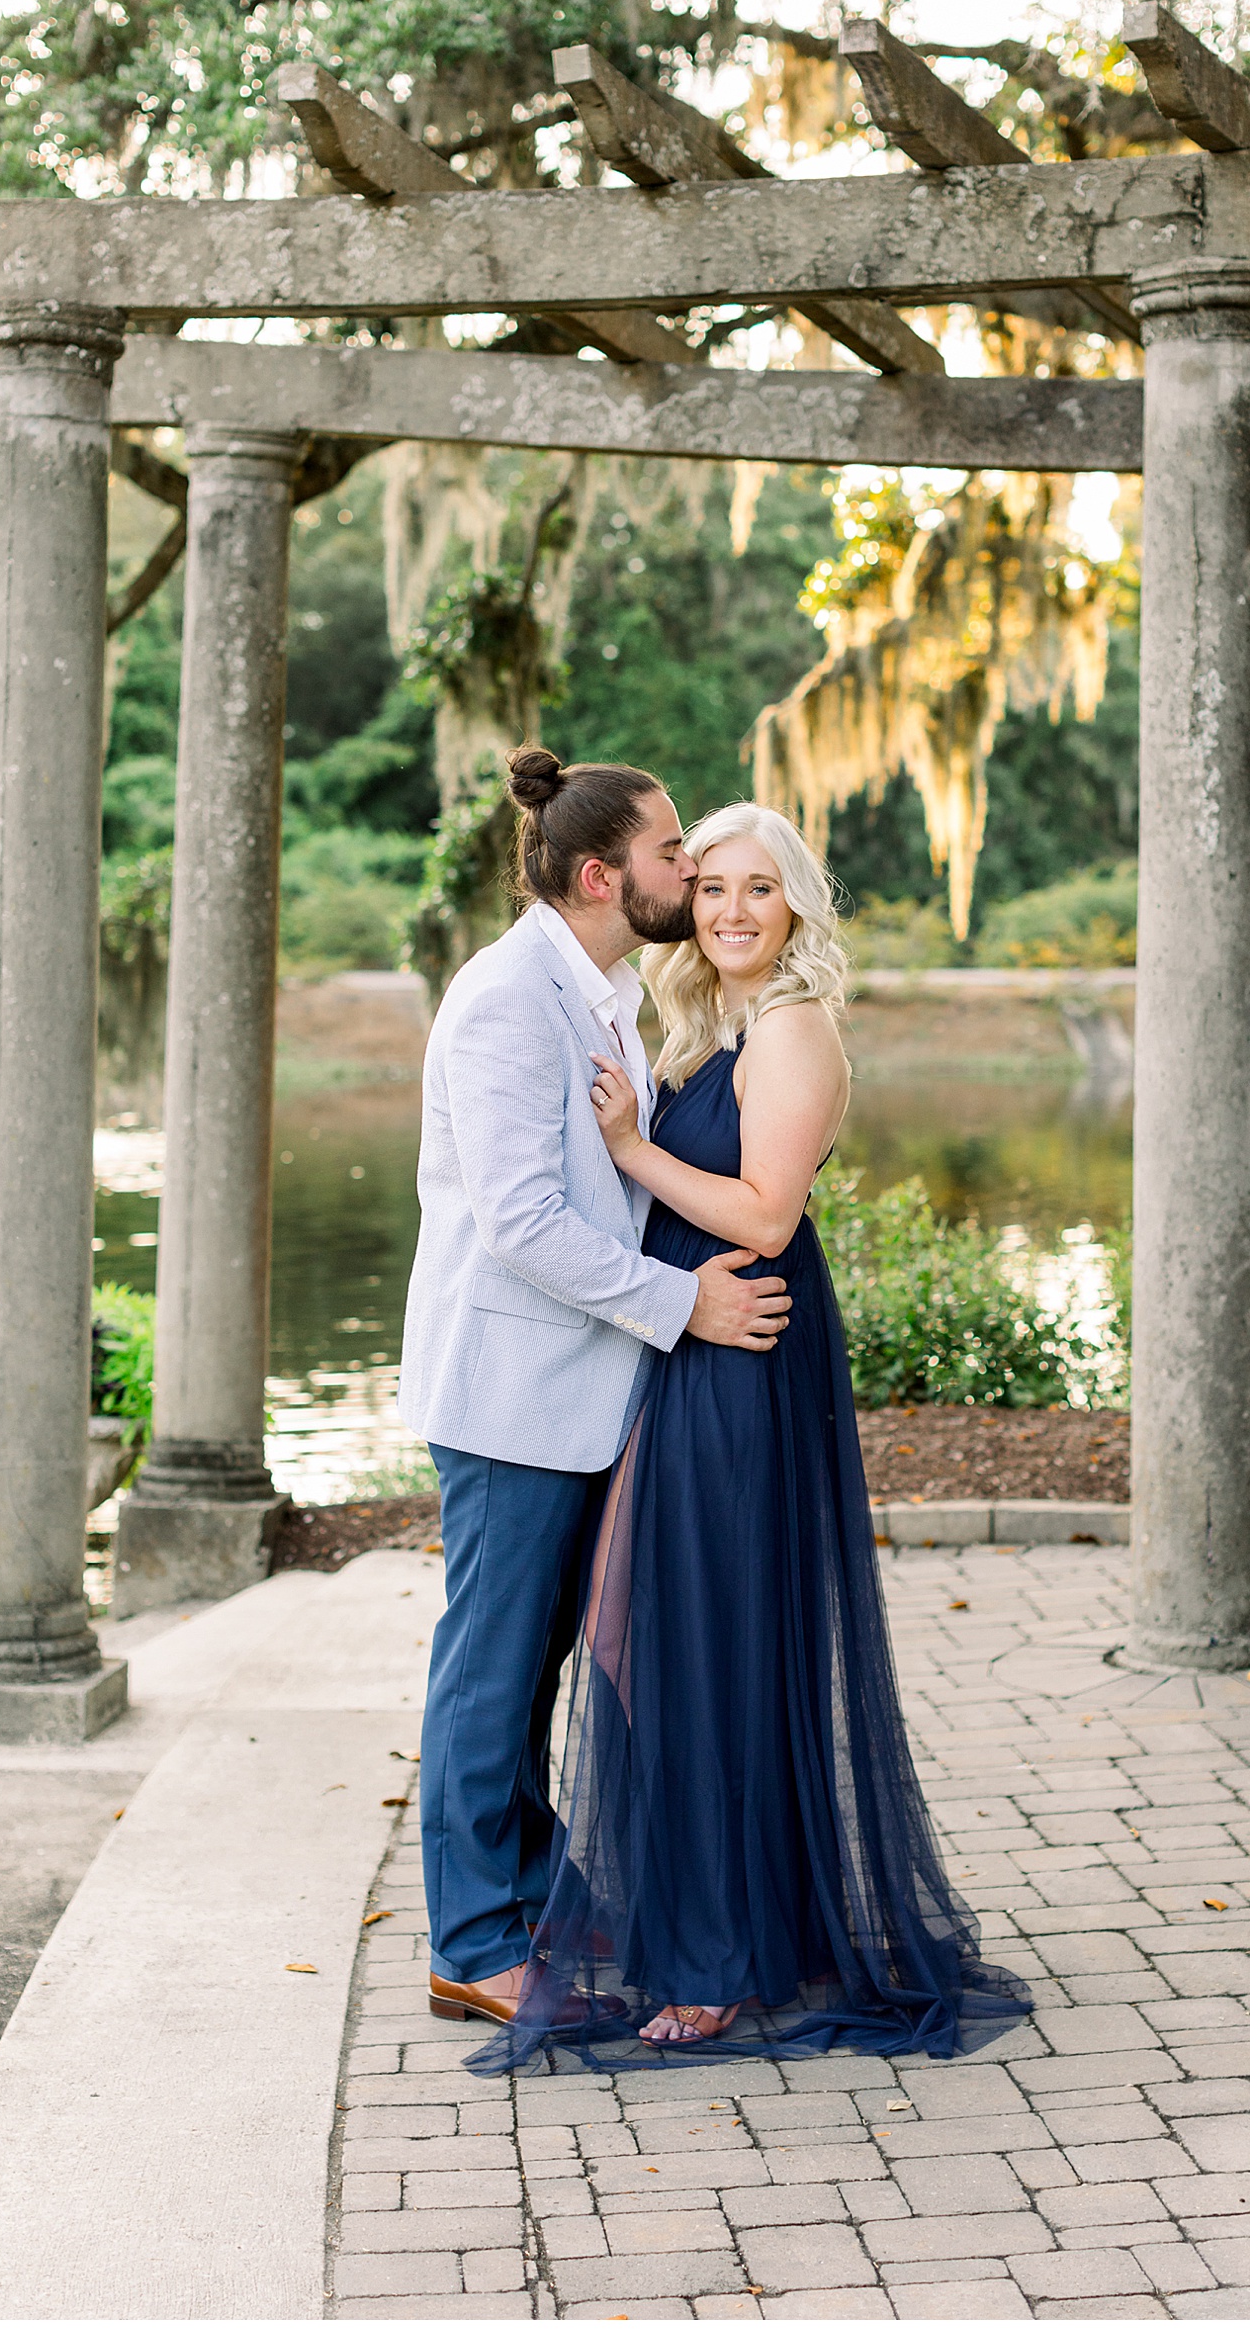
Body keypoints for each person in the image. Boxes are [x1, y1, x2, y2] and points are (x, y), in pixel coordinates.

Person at [469, 802, 1033, 2066]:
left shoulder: (791, 1025)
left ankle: (724, 1960)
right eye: (709, 883)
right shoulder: (708, 1021)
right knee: (654, 1631)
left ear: (795, 906)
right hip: (690, 1345)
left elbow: (767, 1215)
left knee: (702, 1638)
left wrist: (627, 1147)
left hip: (741, 1347)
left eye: (756, 888)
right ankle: (766, 1919)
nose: (727, 908)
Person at [401, 748, 795, 2031]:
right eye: (673, 850)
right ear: (598, 872)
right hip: (511, 1392)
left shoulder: (604, 989)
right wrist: (688, 1305)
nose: (688, 868)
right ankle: (471, 1937)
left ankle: (526, 1888)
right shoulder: (508, 998)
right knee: (492, 1666)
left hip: (581, 1390)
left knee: (537, 1662)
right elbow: (521, 1219)